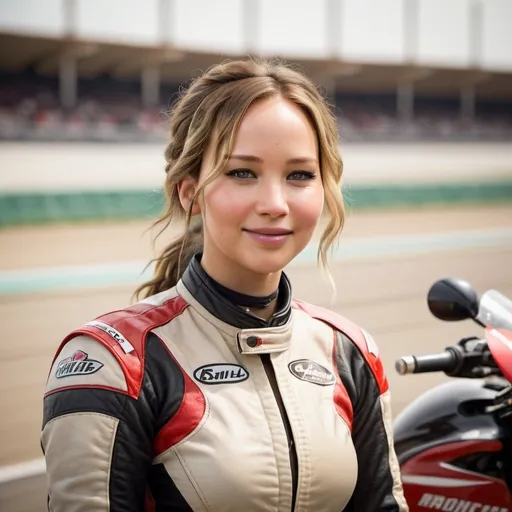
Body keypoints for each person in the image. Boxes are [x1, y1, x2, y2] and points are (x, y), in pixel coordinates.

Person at [41, 58, 408, 511]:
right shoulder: (116, 363)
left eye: (299, 175)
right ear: (189, 190)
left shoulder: (351, 352)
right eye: (242, 172)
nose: (275, 204)